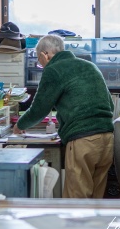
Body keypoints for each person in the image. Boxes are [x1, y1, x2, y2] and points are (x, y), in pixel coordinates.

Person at [13, 34, 114, 198]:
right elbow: (110, 104)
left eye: (40, 61)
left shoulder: (53, 70)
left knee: (76, 203)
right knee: (96, 203)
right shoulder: (90, 66)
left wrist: (19, 125)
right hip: (107, 139)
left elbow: (39, 109)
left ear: (45, 54)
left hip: (83, 140)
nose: (41, 65)